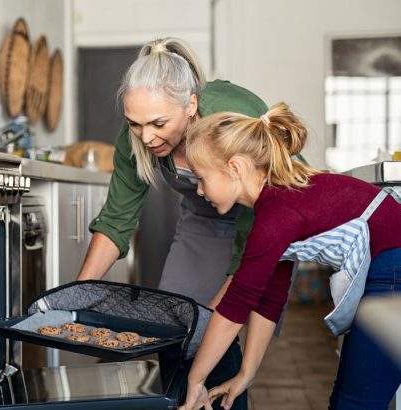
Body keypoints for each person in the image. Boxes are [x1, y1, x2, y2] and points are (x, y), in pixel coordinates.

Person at [75, 37, 270, 409]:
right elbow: (117, 220)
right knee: (175, 328)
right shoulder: (134, 141)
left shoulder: (232, 116)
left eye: (159, 123)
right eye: (135, 124)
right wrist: (77, 294)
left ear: (191, 104)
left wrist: (215, 315)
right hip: (203, 221)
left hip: (263, 219)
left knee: (216, 332)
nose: (146, 136)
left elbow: (260, 221)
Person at [178, 102, 401, 410]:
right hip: (389, 263)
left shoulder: (275, 217)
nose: (200, 191)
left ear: (235, 168)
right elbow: (270, 298)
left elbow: (234, 309)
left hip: (393, 267)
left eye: (201, 178)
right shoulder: (276, 203)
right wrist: (246, 373)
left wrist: (195, 381)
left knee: (355, 402)